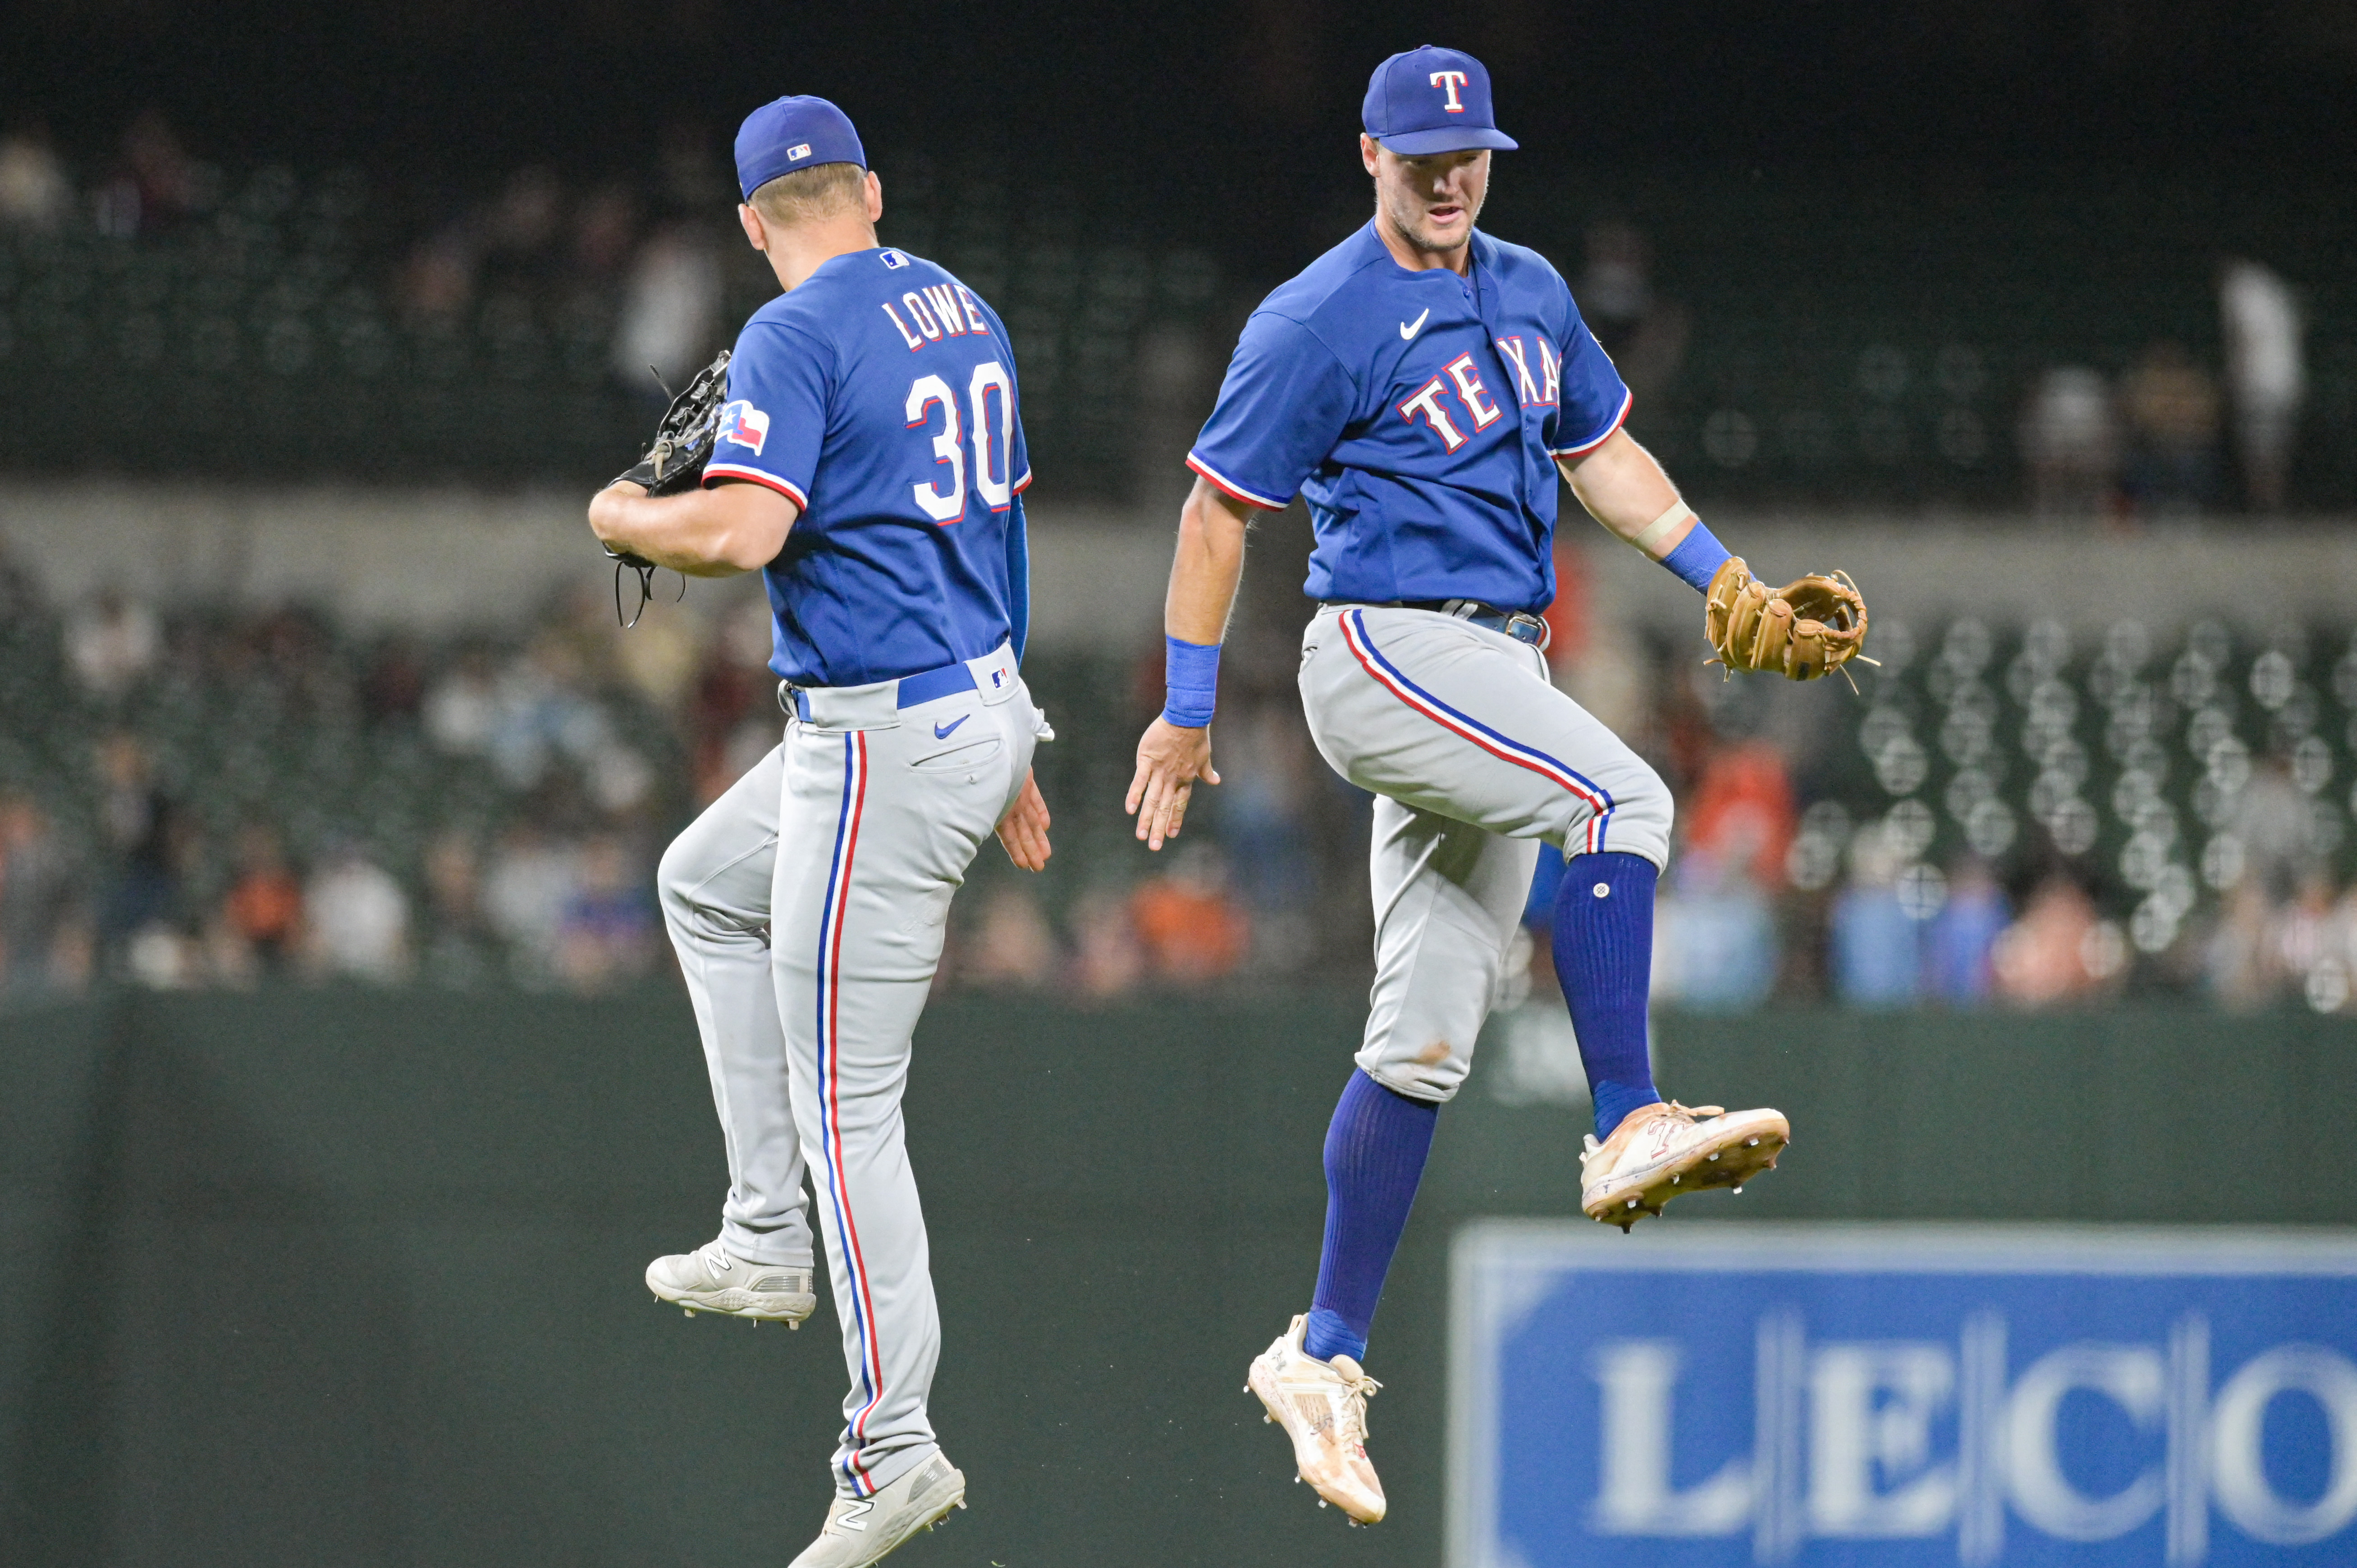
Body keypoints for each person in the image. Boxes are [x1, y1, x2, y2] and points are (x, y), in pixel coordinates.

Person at [1123, 47, 1792, 1524]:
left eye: (1470, 153)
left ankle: (1322, 1351)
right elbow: (1218, 514)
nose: (1450, 177)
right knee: (1624, 801)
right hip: (1387, 649)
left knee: (1425, 1038)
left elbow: (1601, 451)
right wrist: (1182, 712)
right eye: (1422, 157)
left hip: (1498, 661)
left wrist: (1718, 569)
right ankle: (1625, 1116)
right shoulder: (1316, 316)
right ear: (1369, 156)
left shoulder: (1535, 287)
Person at [586, 95, 1051, 1568]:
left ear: (748, 221)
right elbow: (1004, 531)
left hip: (883, 741)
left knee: (852, 1112)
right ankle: (765, 1231)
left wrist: (617, 515)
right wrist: (1022, 731)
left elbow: (740, 533)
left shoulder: (793, 334)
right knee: (703, 884)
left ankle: (891, 1447)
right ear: (872, 187)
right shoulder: (958, 303)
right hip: (967, 697)